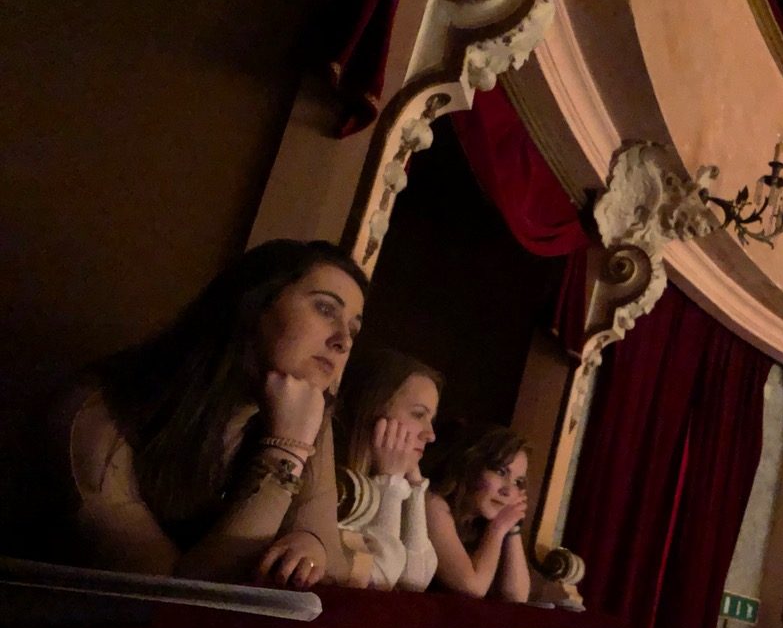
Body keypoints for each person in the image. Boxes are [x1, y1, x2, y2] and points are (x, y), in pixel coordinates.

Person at [41, 239, 367, 587]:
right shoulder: (100, 410)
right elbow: (171, 593)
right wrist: (284, 451)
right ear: (253, 305)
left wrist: (311, 543)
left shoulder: (308, 412)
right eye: (325, 309)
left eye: (353, 329)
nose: (343, 341)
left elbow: (329, 561)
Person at [334, 347, 443, 592]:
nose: (431, 435)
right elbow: (380, 579)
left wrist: (414, 487)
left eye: (431, 420)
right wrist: (390, 482)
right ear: (373, 410)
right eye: (418, 415)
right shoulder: (336, 481)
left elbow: (416, 579)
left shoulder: (394, 484)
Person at [424, 423, 531, 602]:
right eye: (500, 471)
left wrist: (512, 527)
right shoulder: (433, 503)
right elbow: (472, 587)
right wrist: (498, 529)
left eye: (517, 482)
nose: (508, 491)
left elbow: (517, 597)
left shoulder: (484, 524)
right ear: (472, 465)